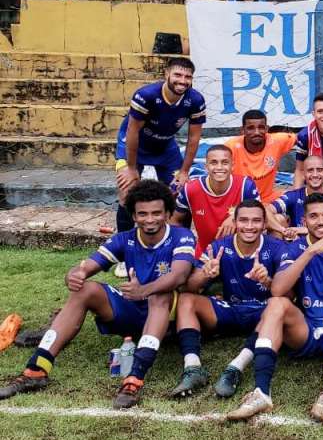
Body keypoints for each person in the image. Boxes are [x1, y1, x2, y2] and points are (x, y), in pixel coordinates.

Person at [0, 181, 196, 409]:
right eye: (142, 214)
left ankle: (133, 379)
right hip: (132, 310)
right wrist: (74, 275)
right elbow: (86, 266)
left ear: (168, 214)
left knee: (159, 294)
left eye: (156, 213)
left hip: (166, 317)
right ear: (133, 215)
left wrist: (143, 289)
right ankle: (37, 370)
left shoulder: (181, 236)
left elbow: (179, 276)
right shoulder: (125, 239)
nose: (150, 220)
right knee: (85, 289)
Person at [226, 193, 323, 424]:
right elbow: (277, 289)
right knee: (276, 304)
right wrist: (311, 251)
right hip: (306, 331)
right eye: (314, 216)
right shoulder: (295, 248)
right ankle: (261, 393)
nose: (321, 221)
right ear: (304, 221)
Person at [168, 200, 289, 398]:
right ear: (234, 222)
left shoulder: (278, 248)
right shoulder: (219, 247)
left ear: (265, 224)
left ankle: (235, 368)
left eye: (256, 221)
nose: (249, 226)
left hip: (264, 314)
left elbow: (290, 296)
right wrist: (205, 274)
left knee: (277, 307)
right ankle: (193, 366)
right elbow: (189, 286)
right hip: (231, 308)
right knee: (186, 299)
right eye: (243, 220)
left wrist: (267, 281)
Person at [114, 57, 205, 232]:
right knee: (128, 192)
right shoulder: (146, 95)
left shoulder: (195, 100)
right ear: (166, 74)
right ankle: (123, 249)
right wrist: (132, 169)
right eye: (178, 75)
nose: (183, 81)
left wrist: (185, 172)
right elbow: (132, 132)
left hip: (165, 146)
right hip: (133, 147)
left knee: (179, 192)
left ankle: (179, 244)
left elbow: (194, 138)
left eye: (188, 77)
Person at [171, 144, 261, 256]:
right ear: (206, 166)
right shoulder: (190, 189)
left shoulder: (246, 185)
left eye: (225, 162)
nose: (219, 167)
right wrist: (185, 242)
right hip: (205, 254)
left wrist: (235, 216)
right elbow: (175, 220)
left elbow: (261, 216)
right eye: (214, 162)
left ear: (232, 165)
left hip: (239, 255)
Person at [267, 154, 323, 240]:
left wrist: (307, 230)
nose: (315, 174)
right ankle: (279, 252)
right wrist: (283, 230)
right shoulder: (293, 195)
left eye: (319, 170)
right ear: (303, 174)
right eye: (310, 170)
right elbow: (266, 210)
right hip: (296, 244)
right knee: (278, 219)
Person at [223, 109, 297, 203]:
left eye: (261, 127)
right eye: (251, 128)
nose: (256, 132)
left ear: (267, 129)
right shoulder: (230, 147)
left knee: (297, 200)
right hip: (239, 201)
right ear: (243, 130)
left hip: (267, 198)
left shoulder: (276, 141)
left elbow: (304, 137)